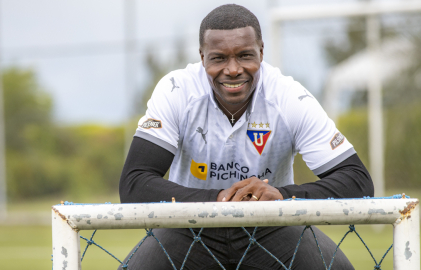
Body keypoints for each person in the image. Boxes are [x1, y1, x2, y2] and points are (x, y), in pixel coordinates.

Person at [119, 4, 373, 270]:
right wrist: (219, 200)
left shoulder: (288, 97)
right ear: (202, 56)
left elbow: (357, 180)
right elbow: (134, 182)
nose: (233, 69)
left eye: (244, 55)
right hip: (189, 225)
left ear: (261, 52)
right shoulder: (177, 91)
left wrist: (280, 197)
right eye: (218, 58)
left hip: (273, 225)